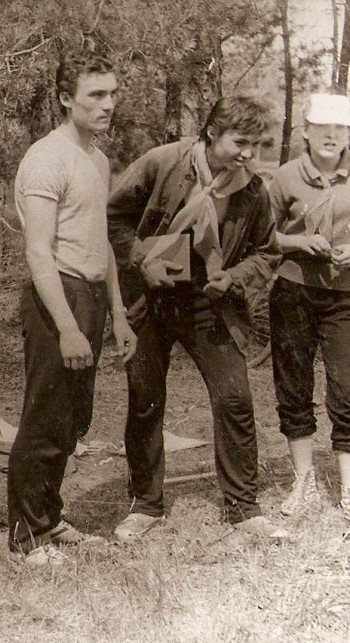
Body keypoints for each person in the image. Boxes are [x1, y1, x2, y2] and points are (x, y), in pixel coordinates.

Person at [107, 93, 286, 541]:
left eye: (256, 145)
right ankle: (145, 504)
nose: (248, 154)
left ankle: (243, 507)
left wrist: (234, 278)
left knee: (234, 397)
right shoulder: (163, 163)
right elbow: (112, 218)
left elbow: (267, 253)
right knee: (145, 398)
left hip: (209, 300)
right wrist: (142, 259)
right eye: (239, 142)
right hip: (149, 296)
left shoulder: (253, 190)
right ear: (211, 132)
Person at [8, 50, 137, 566]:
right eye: (96, 95)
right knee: (45, 416)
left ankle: (49, 517)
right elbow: (39, 251)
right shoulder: (47, 157)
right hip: (56, 296)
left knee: (71, 418)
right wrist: (66, 327)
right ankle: (27, 537)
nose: (109, 104)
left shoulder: (97, 159)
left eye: (113, 94)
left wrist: (119, 314)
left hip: (91, 297)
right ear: (65, 98)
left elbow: (101, 241)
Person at [267, 93, 350, 533]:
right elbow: (262, 233)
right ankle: (303, 481)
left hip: (348, 294)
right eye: (321, 127)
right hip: (294, 293)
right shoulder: (285, 177)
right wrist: (298, 242)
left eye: (339, 128)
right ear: (305, 131)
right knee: (293, 387)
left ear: (349, 132)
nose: (330, 135)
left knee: (346, 392)